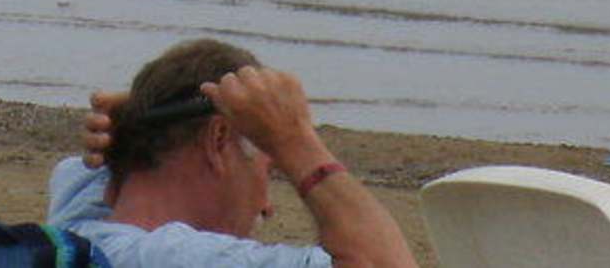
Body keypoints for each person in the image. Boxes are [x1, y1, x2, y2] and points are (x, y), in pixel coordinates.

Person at [45, 38, 416, 268]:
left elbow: (82, 170)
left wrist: (142, 111)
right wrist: (295, 142)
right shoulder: (169, 258)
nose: (267, 206)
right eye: (268, 169)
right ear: (219, 138)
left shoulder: (74, 220)